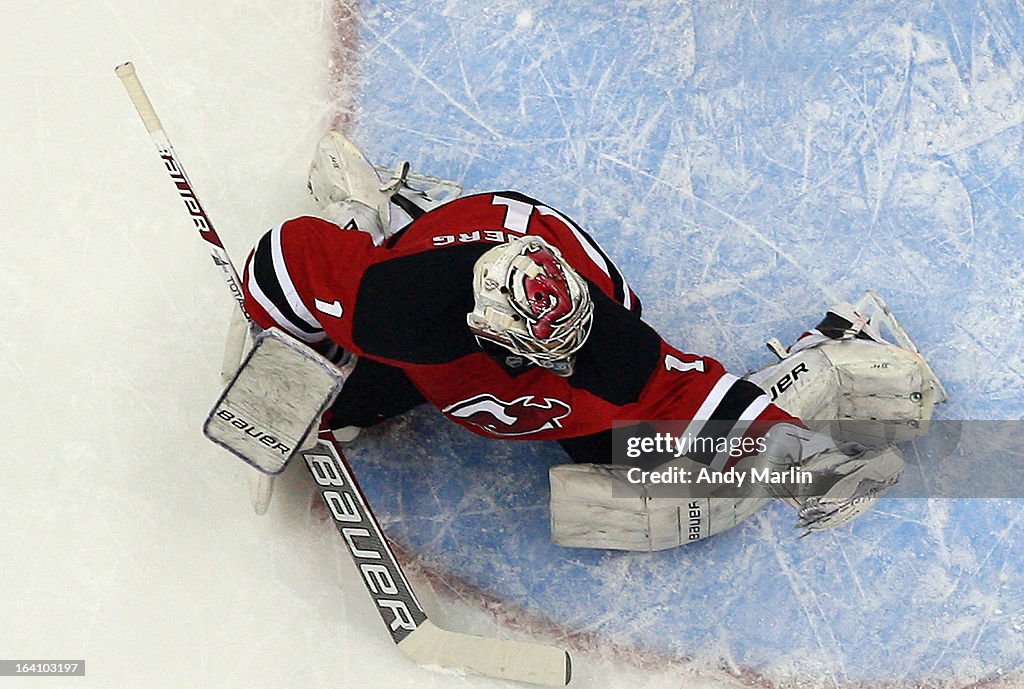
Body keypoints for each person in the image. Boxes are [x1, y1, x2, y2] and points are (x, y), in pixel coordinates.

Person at [240, 131, 944, 550]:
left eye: (569, 345)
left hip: (536, 270)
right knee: (336, 400)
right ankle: (373, 212)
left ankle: (823, 366)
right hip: (446, 276)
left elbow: (687, 392)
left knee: (626, 503)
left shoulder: (606, 349)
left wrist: (811, 466)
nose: (568, 359)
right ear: (488, 331)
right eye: (541, 353)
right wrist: (293, 350)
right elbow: (281, 261)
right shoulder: (399, 311)